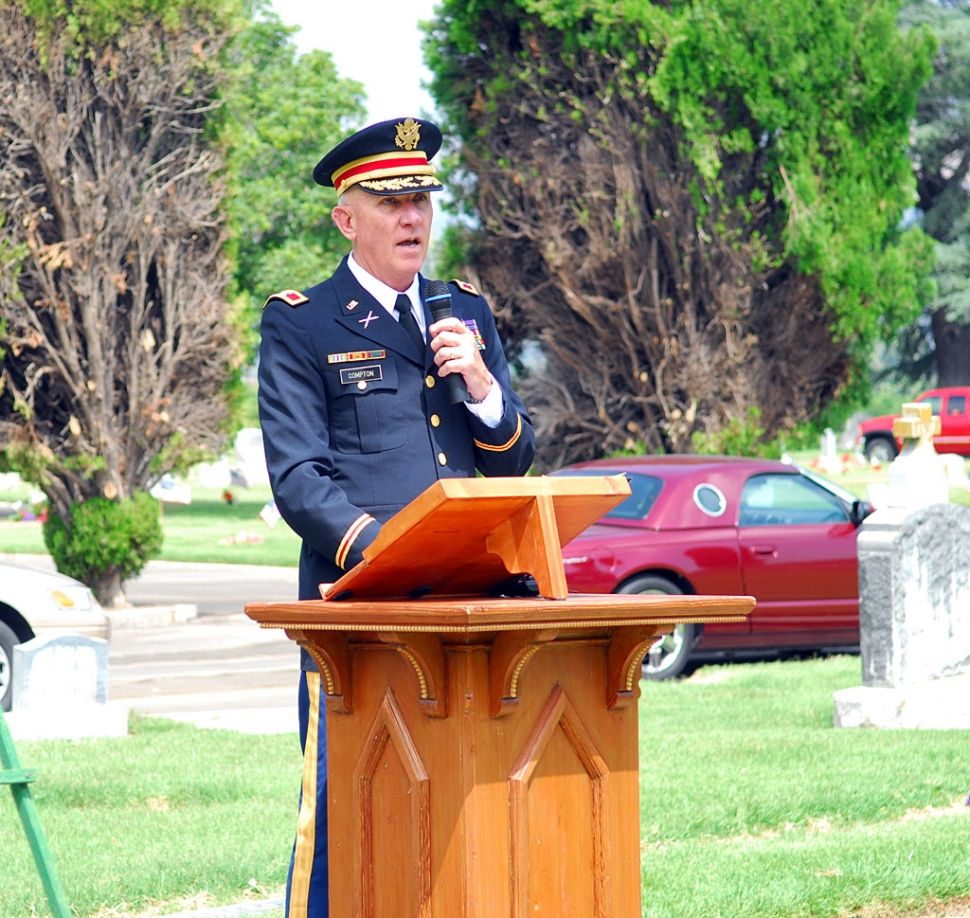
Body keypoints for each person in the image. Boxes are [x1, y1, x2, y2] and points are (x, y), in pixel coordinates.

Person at [257, 116, 536, 918]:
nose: (413, 216)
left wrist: (482, 387)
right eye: (391, 201)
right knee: (343, 813)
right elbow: (300, 482)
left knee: (467, 806)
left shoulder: (465, 311)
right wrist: (394, 554)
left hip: (471, 615)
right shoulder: (303, 320)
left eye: (421, 198)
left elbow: (511, 462)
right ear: (348, 218)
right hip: (361, 620)